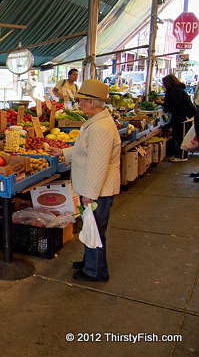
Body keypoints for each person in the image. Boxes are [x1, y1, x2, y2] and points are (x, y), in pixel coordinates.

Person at [49, 79, 121, 282]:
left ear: (92, 102)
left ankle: (96, 271)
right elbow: (86, 150)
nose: (79, 103)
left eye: (82, 100)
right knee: (91, 227)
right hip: (95, 189)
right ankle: (90, 262)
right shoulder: (97, 122)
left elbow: (97, 164)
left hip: (98, 191)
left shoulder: (100, 128)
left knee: (95, 230)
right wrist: (63, 152)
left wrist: (89, 195)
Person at [155, 74, 199, 162]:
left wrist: (162, 103)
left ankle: (182, 156)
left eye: (164, 83)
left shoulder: (177, 91)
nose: (163, 85)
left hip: (184, 116)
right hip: (182, 115)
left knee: (181, 136)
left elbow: (175, 104)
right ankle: (179, 155)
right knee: (179, 135)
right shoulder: (176, 90)